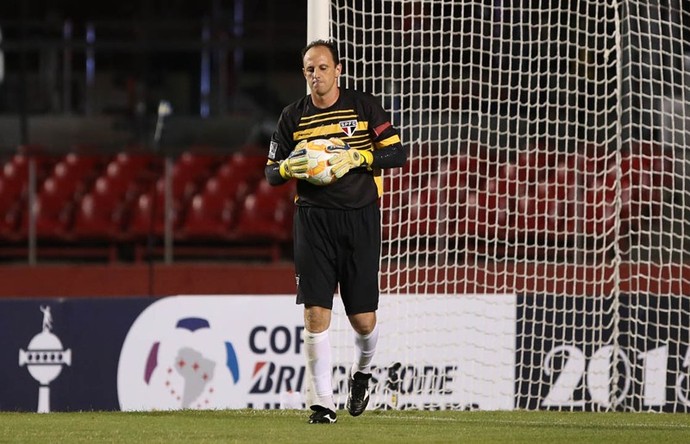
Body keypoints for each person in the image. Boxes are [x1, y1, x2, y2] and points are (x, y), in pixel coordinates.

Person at [264, 39, 407, 424]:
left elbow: (397, 153)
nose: (316, 75)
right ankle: (323, 404)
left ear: (338, 70)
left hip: (359, 219)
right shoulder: (292, 116)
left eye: (323, 67)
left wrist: (359, 157)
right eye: (310, 68)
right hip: (312, 221)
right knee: (315, 314)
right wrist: (286, 170)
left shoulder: (363, 106)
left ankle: (362, 374)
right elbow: (270, 171)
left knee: (364, 320)